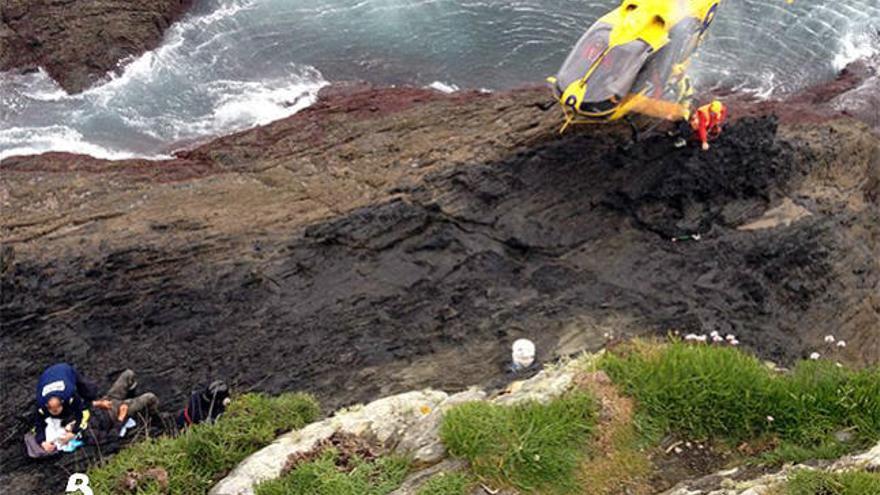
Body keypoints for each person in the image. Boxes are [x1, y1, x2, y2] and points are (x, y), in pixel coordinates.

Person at [30, 363, 98, 454]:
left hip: (65, 371)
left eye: (58, 410)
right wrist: (43, 442)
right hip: (46, 376)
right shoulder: (40, 405)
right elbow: (38, 425)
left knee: (89, 393)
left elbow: (82, 414)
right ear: (47, 407)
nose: (56, 413)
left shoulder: (70, 394)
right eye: (53, 411)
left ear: (62, 403)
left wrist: (73, 432)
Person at [91, 369, 159, 425]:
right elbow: (111, 437)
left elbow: (82, 404)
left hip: (105, 402)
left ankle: (131, 403)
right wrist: (121, 417)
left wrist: (97, 403)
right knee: (151, 398)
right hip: (114, 414)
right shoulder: (89, 435)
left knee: (128, 374)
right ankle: (155, 420)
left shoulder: (80, 415)